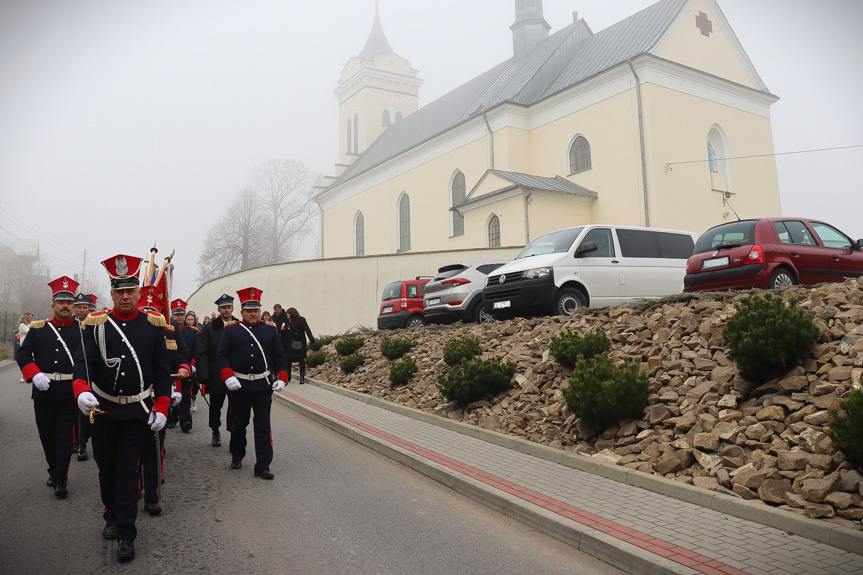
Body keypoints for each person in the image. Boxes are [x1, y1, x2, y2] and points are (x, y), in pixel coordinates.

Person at [72, 254, 172, 562]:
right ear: (112, 294)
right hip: (103, 412)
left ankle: (127, 533)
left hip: (136, 413)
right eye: (119, 291)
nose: (125, 296)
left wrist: (163, 406)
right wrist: (81, 390)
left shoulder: (153, 326)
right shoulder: (96, 325)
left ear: (139, 293)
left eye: (130, 291)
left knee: (129, 471)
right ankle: (111, 515)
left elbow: (160, 370)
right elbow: (82, 364)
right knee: (107, 469)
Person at [16, 277, 82, 499]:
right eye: (60, 302)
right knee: (47, 436)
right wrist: (34, 374)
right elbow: (23, 354)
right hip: (43, 391)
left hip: (69, 391)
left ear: (73, 306)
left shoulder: (83, 331)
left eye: (69, 303)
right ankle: (54, 470)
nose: (65, 306)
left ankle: (60, 479)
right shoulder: (39, 329)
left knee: (64, 436)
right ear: (53, 305)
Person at [216, 287, 287, 479]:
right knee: (239, 425)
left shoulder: (270, 330)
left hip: (263, 387)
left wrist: (282, 377)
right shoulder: (231, 331)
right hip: (239, 387)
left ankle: (263, 465)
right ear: (242, 312)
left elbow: (279, 356)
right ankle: (237, 454)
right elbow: (221, 355)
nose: (253, 313)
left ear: (260, 311)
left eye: (256, 310)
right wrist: (228, 376)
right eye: (248, 310)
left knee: (263, 426)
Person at [136, 288, 190, 517]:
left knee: (155, 449)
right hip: (130, 399)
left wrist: (183, 368)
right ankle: (135, 486)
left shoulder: (166, 331)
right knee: (132, 450)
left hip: (157, 396)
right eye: (146, 309)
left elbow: (175, 358)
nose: (150, 313)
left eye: (154, 309)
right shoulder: (127, 331)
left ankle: (152, 496)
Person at [196, 294, 238, 448]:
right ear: (219, 310)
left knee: (236, 406)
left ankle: (234, 431)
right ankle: (215, 431)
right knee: (215, 406)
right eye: (223, 308)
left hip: (236, 374)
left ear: (233, 308)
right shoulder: (209, 328)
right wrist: (204, 375)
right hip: (216, 374)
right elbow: (201, 352)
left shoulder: (239, 325)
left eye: (229, 307)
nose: (226, 310)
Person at [72, 293, 93, 461]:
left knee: (84, 412)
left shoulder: (95, 324)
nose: (81, 310)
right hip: (70, 373)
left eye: (84, 307)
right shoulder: (69, 325)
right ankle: (75, 441)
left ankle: (82, 443)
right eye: (78, 307)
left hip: (88, 373)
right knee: (72, 411)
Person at [170, 298, 196, 429]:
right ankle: (172, 418)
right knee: (172, 395)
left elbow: (196, 350)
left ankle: (186, 420)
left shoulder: (192, 332)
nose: (179, 317)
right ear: (172, 315)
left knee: (186, 394)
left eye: (181, 315)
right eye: (177, 315)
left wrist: (192, 365)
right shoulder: (167, 329)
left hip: (187, 367)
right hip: (171, 368)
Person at [286, 307, 316, 385]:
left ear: (292, 313)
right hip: (290, 344)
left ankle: (302, 377)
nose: (287, 314)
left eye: (288, 313)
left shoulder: (301, 319)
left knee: (301, 360)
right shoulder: (288, 321)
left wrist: (311, 338)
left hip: (300, 343)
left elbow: (307, 329)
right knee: (288, 360)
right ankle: (288, 376)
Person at [183, 310, 201, 410]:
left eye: (191, 320)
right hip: (184, 360)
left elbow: (198, 349)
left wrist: (193, 364)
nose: (190, 321)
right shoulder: (182, 331)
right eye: (188, 319)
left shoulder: (197, 331)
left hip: (193, 362)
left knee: (194, 385)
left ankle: (194, 398)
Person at [17, 312, 33, 381]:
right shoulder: (22, 325)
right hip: (25, 346)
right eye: (30, 317)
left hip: (31, 345)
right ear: (26, 317)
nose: (31, 319)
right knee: (26, 361)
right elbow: (30, 332)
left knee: (32, 360)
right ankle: (23, 376)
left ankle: (30, 375)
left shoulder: (30, 324)